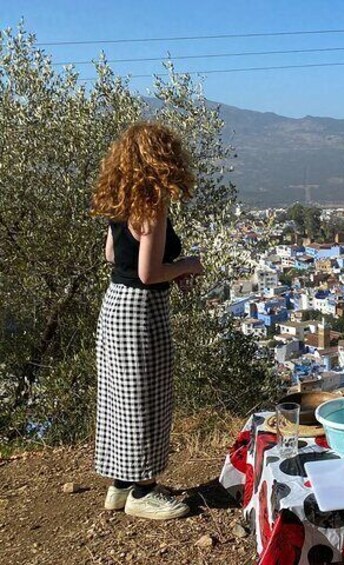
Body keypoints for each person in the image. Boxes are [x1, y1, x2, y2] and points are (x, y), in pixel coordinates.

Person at [91, 122, 204, 520]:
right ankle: (143, 491)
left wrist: (168, 267)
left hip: (115, 306)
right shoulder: (152, 201)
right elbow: (148, 273)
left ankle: (120, 487)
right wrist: (187, 264)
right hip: (142, 310)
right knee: (148, 399)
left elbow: (112, 257)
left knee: (123, 398)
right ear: (163, 158)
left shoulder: (119, 200)